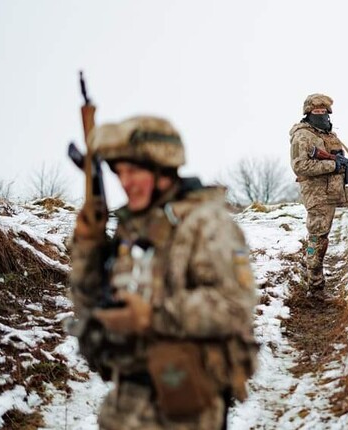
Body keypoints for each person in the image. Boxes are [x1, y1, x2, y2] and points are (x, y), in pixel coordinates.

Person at [68, 115, 258, 429]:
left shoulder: (206, 223)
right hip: (124, 404)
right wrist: (88, 246)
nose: (126, 182)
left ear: (163, 169)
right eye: (121, 172)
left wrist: (153, 315)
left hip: (186, 406)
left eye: (135, 171)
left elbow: (234, 307)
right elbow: (90, 306)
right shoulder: (133, 228)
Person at [289, 93, 348, 295]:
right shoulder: (302, 135)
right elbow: (300, 166)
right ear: (308, 113)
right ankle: (315, 290)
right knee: (318, 239)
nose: (321, 115)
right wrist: (333, 165)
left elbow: (340, 164)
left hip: (337, 190)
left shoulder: (329, 135)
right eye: (317, 111)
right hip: (317, 196)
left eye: (324, 111)